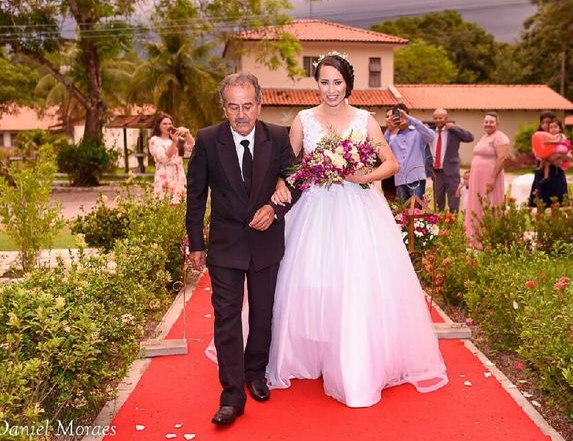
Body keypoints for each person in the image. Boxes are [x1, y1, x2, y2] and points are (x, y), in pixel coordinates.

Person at [267, 52, 448, 408]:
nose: (331, 89)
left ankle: (353, 362)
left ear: (348, 83)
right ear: (316, 83)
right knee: (309, 280)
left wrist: (361, 175)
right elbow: (287, 164)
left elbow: (391, 163)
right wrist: (280, 183)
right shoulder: (303, 119)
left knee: (356, 282)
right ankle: (310, 353)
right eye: (324, 82)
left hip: (357, 207)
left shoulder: (365, 120)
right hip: (315, 208)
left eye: (337, 82)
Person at [186, 73, 299, 426]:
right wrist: (196, 244)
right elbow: (195, 195)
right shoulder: (206, 140)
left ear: (259, 105)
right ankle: (232, 395)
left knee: (263, 313)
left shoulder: (277, 137)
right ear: (224, 107)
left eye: (247, 105)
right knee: (227, 319)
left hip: (266, 243)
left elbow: (295, 181)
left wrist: (275, 208)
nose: (241, 114)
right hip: (225, 245)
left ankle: (256, 373)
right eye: (233, 106)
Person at [464, 111, 510, 248]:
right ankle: (475, 238)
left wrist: (492, 179)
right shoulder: (484, 137)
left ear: (497, 123)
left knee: (488, 204)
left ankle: (489, 238)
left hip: (489, 177)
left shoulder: (500, 137)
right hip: (477, 179)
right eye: (486, 121)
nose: (488, 124)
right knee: (477, 204)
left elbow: (502, 158)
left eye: (491, 122)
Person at [425, 108, 474, 212]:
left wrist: (455, 128)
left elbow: (470, 137)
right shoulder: (431, 132)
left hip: (451, 172)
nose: (438, 120)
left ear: (446, 118)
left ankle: (453, 223)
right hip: (437, 173)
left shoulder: (453, 132)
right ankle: (439, 223)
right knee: (438, 202)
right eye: (436, 118)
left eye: (441, 118)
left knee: (453, 201)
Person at [384, 103, 435, 202]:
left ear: (408, 115)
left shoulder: (418, 132)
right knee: (402, 213)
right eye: (397, 116)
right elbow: (384, 149)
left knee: (416, 212)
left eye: (402, 115)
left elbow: (431, 136)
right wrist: (389, 129)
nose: (400, 118)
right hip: (399, 180)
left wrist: (410, 119)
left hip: (416, 179)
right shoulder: (393, 135)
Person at [149, 115, 194, 204]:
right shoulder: (155, 140)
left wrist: (187, 133)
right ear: (158, 126)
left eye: (170, 124)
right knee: (165, 204)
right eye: (164, 124)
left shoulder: (178, 139)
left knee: (179, 205)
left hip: (178, 175)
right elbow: (164, 158)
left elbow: (192, 148)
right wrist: (174, 142)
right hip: (164, 176)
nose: (168, 126)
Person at [528, 111, 570, 207]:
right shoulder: (538, 137)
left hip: (556, 172)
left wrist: (560, 156)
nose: (545, 125)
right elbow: (537, 153)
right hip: (542, 173)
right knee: (541, 201)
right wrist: (552, 158)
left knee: (558, 202)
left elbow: (569, 156)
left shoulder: (560, 137)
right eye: (542, 123)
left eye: (548, 122)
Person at [540, 118, 572, 182]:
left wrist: (547, 142)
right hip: (556, 152)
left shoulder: (560, 135)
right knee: (547, 163)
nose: (553, 129)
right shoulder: (550, 136)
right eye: (551, 128)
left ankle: (559, 166)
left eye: (555, 127)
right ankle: (546, 177)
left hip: (561, 150)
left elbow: (557, 141)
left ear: (560, 129)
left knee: (550, 161)